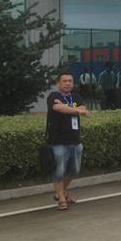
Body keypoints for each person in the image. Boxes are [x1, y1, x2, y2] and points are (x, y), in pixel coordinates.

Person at [47, 72, 90, 211]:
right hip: (58, 141)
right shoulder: (54, 96)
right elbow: (58, 108)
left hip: (75, 140)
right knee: (59, 171)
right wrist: (76, 110)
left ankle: (61, 191)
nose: (67, 83)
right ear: (59, 83)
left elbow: (83, 108)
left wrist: (71, 109)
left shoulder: (75, 96)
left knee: (74, 170)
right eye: (64, 81)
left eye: (70, 81)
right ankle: (61, 198)